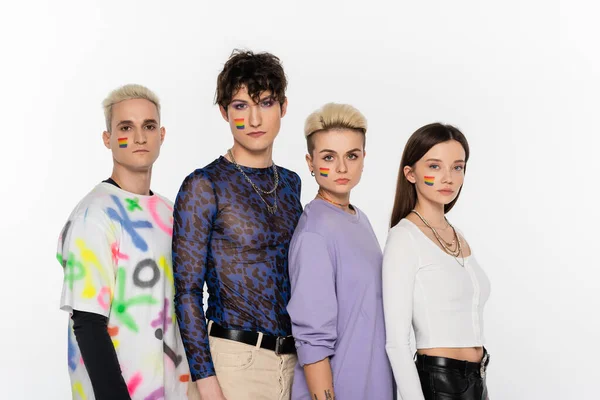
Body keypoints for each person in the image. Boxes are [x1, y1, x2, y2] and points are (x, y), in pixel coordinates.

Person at [172, 50, 303, 400]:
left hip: (293, 363)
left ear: (283, 107)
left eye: (266, 102)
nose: (255, 117)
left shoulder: (291, 183)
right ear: (224, 113)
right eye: (241, 106)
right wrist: (206, 380)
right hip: (231, 364)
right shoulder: (204, 185)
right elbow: (185, 293)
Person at [56, 84, 192, 399]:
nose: (139, 137)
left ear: (162, 135)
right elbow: (88, 323)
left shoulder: (170, 212)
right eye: (125, 127)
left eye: (148, 126)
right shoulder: (94, 215)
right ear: (108, 139)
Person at [286, 103, 395, 400]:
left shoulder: (359, 218)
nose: (342, 168)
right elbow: (312, 342)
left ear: (363, 158)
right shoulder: (315, 232)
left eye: (352, 155)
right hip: (339, 389)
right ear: (310, 162)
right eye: (328, 157)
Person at [382, 123, 491, 400]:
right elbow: (396, 343)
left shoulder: (458, 235)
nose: (448, 178)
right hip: (440, 384)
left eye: (457, 167)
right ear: (410, 174)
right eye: (434, 166)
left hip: (477, 381)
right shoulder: (404, 238)